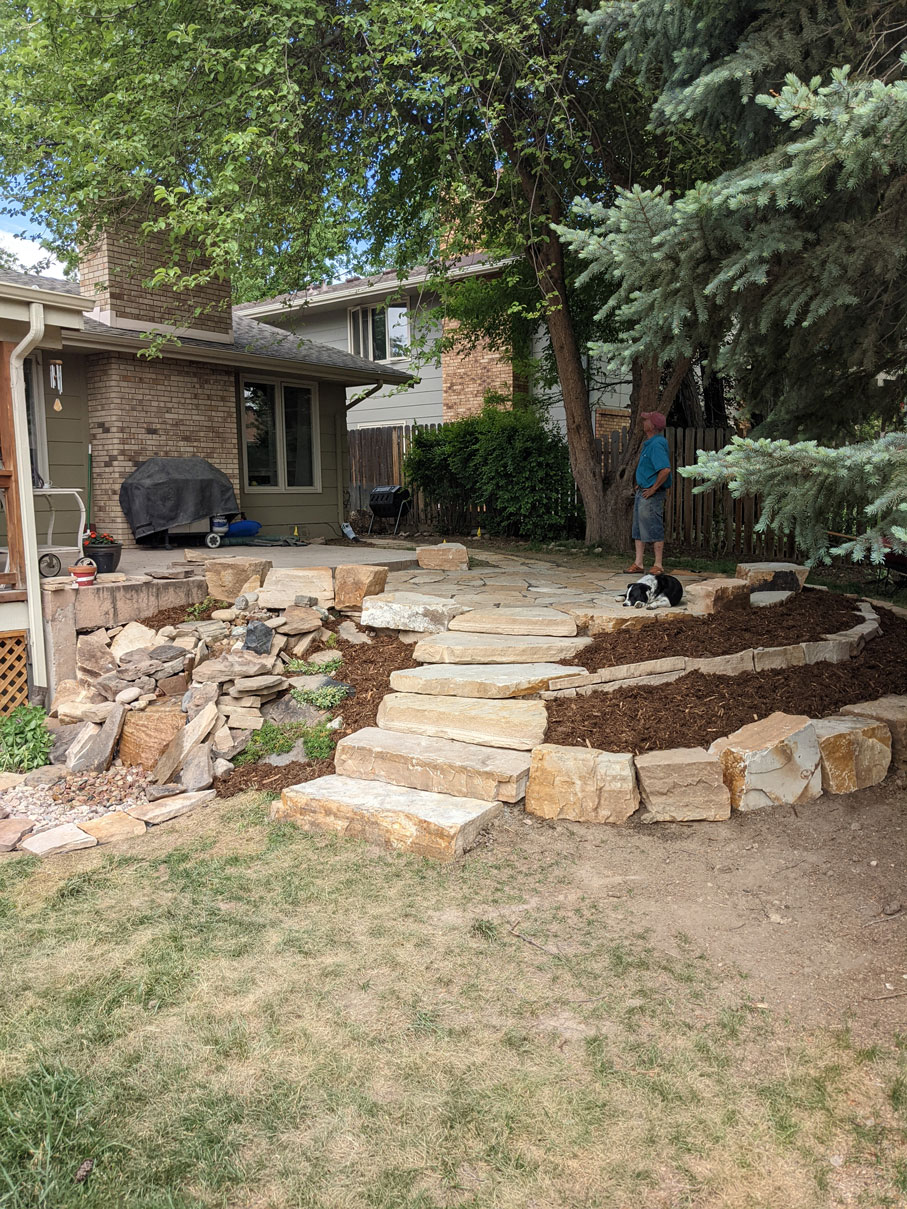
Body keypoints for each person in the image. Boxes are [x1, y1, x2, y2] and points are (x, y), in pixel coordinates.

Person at [627, 411, 672, 574]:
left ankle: (658, 565)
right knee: (638, 529)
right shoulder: (650, 443)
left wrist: (653, 488)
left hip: (652, 495)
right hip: (643, 492)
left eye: (646, 420)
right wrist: (642, 484)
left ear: (652, 426)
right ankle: (638, 563)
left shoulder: (657, 444)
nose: (643, 421)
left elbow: (665, 469)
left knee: (654, 527)